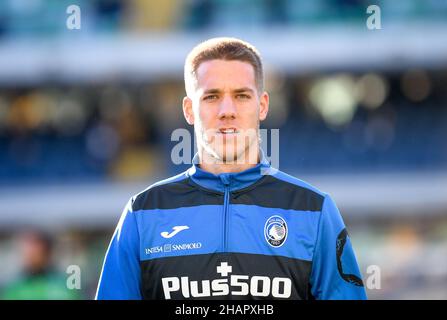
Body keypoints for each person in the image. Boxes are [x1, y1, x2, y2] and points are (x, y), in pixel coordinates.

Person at [95, 37, 367, 300]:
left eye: (241, 96)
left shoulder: (314, 210)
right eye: (211, 96)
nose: (227, 110)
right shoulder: (144, 213)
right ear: (189, 110)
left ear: (262, 106)